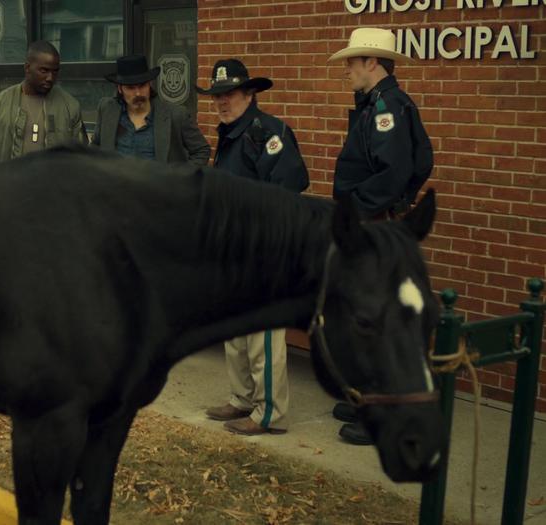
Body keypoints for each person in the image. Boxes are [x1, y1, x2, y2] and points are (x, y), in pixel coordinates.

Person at [327, 27, 434, 445]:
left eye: (352, 63)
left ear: (372, 62)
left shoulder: (387, 106)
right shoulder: (380, 103)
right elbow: (422, 158)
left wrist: (364, 209)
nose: (347, 71)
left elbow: (392, 172)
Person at [199, 58, 309, 436]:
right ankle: (243, 398)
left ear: (250, 93)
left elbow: (290, 185)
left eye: (228, 94)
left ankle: (269, 413)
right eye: (216, 96)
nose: (221, 102)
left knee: (262, 337)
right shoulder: (231, 135)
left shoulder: (268, 132)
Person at [0, 41, 88, 172]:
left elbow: (81, 157)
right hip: (9, 188)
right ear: (27, 67)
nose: (50, 78)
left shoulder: (70, 106)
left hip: (53, 189)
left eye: (55, 71)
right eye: (44, 70)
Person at [90, 55, 210, 166]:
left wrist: (181, 180)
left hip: (159, 187)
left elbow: (201, 150)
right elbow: (95, 147)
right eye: (130, 88)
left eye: (142, 85)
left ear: (149, 85)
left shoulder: (176, 115)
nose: (137, 93)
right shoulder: (106, 109)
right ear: (120, 89)